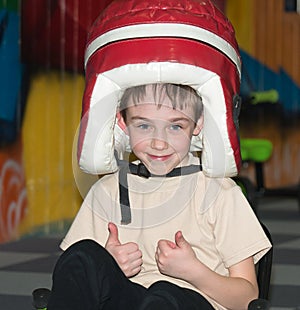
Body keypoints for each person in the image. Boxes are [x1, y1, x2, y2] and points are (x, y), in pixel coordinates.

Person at [47, 1, 272, 310]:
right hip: (131, 300)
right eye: (144, 125)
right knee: (82, 256)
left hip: (192, 302)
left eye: (175, 127)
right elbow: (78, 279)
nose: (159, 143)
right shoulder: (108, 191)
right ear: (122, 123)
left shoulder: (220, 193)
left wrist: (194, 272)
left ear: (198, 125)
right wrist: (110, 266)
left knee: (164, 295)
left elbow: (248, 297)